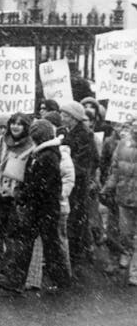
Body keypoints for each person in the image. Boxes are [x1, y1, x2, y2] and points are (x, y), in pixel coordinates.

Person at [0, 120, 71, 293]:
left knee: (40, 245)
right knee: (42, 245)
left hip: (41, 208)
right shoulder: (45, 154)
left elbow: (39, 185)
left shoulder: (46, 156)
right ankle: (56, 280)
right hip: (44, 208)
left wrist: (23, 194)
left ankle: (21, 280)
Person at [0, 113, 33, 274]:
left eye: (20, 124)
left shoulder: (32, 145)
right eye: (13, 123)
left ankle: (9, 265)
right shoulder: (1, 142)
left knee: (13, 232)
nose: (15, 127)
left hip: (16, 195)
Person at [61, 101, 99, 267]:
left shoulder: (84, 135)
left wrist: (66, 168)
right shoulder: (69, 132)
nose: (62, 117)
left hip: (78, 182)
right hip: (74, 180)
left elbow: (87, 160)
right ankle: (77, 253)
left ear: (73, 118)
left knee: (76, 218)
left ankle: (76, 255)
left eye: (65, 115)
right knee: (75, 218)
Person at [102, 120, 137, 286]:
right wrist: (108, 186)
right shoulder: (123, 144)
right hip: (125, 196)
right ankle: (127, 251)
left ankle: (134, 272)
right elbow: (114, 168)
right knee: (125, 233)